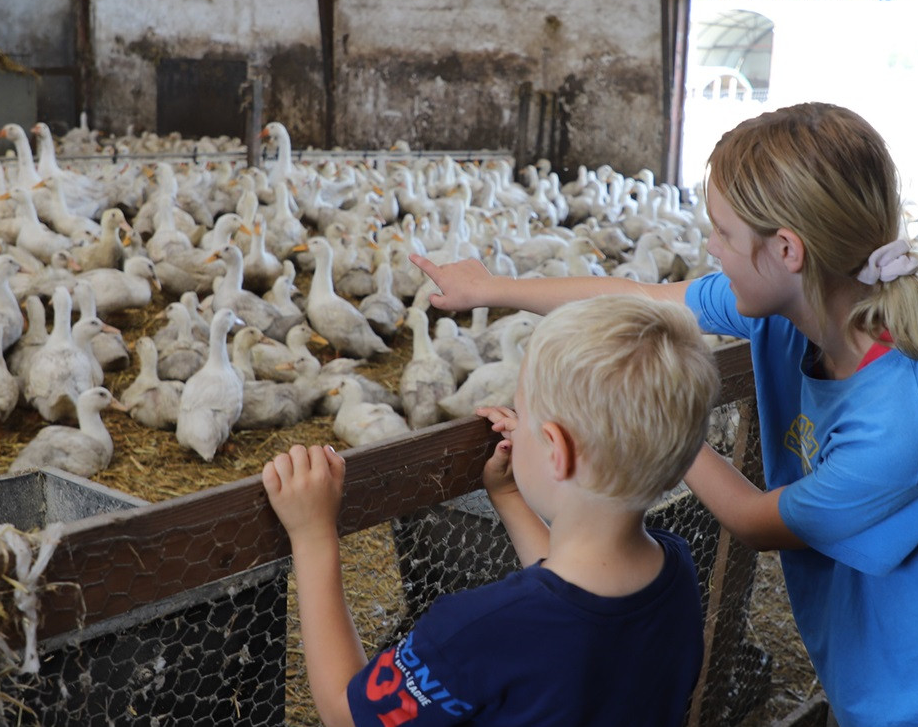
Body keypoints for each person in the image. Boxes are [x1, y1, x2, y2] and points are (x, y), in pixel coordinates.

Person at [410, 102, 918, 727]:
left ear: (787, 250)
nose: (710, 246)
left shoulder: (905, 415)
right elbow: (648, 295)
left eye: (723, 231)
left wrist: (648, 428)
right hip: (915, 626)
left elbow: (757, 522)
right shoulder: (823, 298)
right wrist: (493, 288)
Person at [262, 294, 719, 726]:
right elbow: (575, 606)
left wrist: (312, 534)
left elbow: (347, 713)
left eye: (524, 414)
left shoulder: (475, 630)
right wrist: (511, 495)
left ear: (556, 450)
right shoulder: (675, 571)